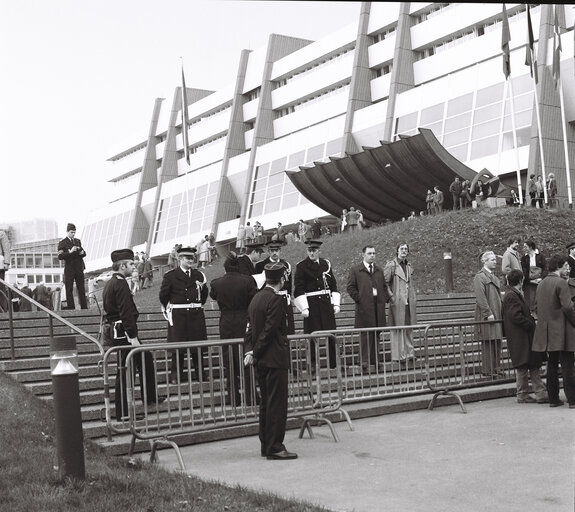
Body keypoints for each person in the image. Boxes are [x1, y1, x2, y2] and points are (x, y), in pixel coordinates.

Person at [244, 262, 298, 460]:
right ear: (282, 279)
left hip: (262, 361)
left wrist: (250, 351)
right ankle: (275, 446)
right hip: (274, 358)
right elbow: (270, 331)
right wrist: (255, 352)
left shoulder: (256, 299)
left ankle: (266, 444)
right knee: (276, 404)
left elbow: (249, 329)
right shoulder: (276, 300)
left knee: (266, 404)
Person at [102, 248, 163, 421]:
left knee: (145, 359)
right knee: (125, 370)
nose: (133, 266)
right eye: (131, 264)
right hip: (124, 332)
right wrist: (133, 336)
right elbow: (126, 312)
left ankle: (149, 396)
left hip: (121, 330)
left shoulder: (111, 282)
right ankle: (123, 413)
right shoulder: (120, 283)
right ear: (122, 266)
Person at [210, 252, 258, 406]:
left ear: (225, 267)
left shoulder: (216, 283)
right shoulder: (248, 280)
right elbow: (254, 299)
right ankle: (251, 397)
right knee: (247, 357)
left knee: (229, 360)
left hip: (226, 323)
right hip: (244, 321)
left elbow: (213, 295)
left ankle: (233, 397)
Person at [159, 246, 209, 383]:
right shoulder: (170, 276)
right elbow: (163, 295)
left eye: (192, 258)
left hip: (195, 313)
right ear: (180, 259)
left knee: (197, 347)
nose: (191, 260)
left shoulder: (199, 275)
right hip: (179, 314)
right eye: (187, 258)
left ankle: (200, 374)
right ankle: (176, 375)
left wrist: (196, 304)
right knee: (178, 347)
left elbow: (204, 293)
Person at [532, 255, 575, 407]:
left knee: (551, 365)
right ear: (559, 266)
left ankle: (553, 399)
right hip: (563, 330)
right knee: (568, 366)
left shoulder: (541, 284)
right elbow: (568, 307)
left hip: (547, 331)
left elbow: (536, 307)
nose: (568, 269)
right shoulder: (561, 283)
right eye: (566, 266)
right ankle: (572, 400)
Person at [502, 269, 548, 404]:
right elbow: (515, 316)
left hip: (520, 337)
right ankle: (534, 393)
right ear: (521, 281)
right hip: (521, 337)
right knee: (528, 365)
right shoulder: (512, 295)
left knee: (527, 365)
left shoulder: (512, 293)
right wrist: (530, 324)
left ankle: (528, 394)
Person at [293, 239, 340, 370]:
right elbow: (299, 287)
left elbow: (333, 284)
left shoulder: (326, 264)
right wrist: (304, 307)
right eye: (309, 250)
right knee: (311, 335)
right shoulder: (301, 266)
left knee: (331, 334)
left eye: (314, 250)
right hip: (311, 305)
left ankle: (334, 363)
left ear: (319, 251)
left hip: (325, 303)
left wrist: (335, 303)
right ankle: (312, 364)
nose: (312, 253)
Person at [347, 246, 391, 374]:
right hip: (364, 308)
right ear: (363, 255)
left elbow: (383, 286)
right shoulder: (356, 270)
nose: (372, 255)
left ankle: (375, 360)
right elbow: (350, 287)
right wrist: (360, 299)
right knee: (365, 335)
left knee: (376, 334)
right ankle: (364, 361)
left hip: (377, 308)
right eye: (369, 253)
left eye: (374, 253)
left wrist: (384, 299)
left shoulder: (379, 270)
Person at [384, 243, 417, 365]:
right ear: (397, 251)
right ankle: (399, 355)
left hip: (408, 300)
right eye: (402, 249)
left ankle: (410, 353)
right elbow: (384, 282)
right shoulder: (391, 265)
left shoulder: (408, 266)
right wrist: (391, 297)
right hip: (397, 301)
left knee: (408, 326)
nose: (404, 251)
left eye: (406, 249)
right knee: (398, 328)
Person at [473, 251, 504, 377]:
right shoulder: (479, 277)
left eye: (495, 260)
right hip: (488, 315)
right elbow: (481, 298)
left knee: (497, 341)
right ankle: (488, 370)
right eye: (492, 260)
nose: (495, 262)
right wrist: (488, 313)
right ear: (484, 261)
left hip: (496, 314)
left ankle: (496, 368)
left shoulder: (494, 277)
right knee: (488, 342)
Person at [255, 240, 295, 334]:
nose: (274, 253)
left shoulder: (286, 265)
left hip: (284, 299)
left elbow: (288, 284)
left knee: (287, 329)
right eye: (272, 250)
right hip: (268, 300)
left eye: (276, 250)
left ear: (280, 251)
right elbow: (258, 286)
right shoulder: (260, 265)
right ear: (268, 251)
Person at [57, 223, 87, 309]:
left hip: (79, 267)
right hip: (69, 268)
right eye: (71, 232)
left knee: (81, 288)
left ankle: (84, 307)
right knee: (69, 288)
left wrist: (82, 253)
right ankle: (71, 308)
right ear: (67, 232)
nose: (73, 234)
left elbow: (83, 253)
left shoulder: (78, 241)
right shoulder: (62, 243)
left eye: (74, 232)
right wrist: (70, 252)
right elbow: (60, 256)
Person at [520, 240, 545, 317]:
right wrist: (530, 279)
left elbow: (545, 268)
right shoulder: (524, 258)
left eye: (525, 247)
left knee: (540, 300)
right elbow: (523, 270)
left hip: (539, 281)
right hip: (529, 283)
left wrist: (541, 278)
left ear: (530, 247)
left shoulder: (540, 256)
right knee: (530, 301)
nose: (524, 248)